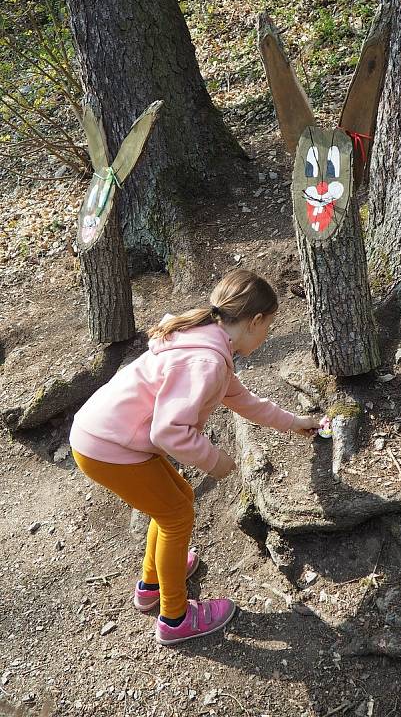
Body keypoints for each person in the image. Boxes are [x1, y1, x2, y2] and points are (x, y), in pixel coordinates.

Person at [70, 269, 319, 646]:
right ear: (254, 322)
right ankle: (175, 617)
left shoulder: (208, 342)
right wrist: (215, 461)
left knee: (176, 503)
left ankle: (152, 583)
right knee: (176, 515)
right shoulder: (206, 362)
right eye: (268, 326)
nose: (267, 335)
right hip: (108, 448)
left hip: (105, 437)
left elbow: (243, 401)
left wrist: (294, 422)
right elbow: (169, 431)